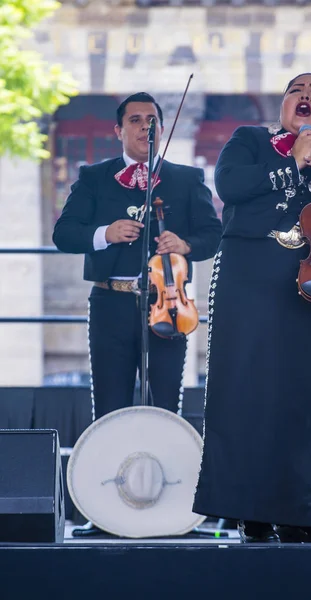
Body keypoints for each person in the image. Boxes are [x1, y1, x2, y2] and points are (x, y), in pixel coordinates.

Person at [192, 73, 311, 543]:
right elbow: (232, 186)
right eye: (295, 90)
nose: (305, 96)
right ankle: (249, 515)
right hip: (248, 283)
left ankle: (298, 515)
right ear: (283, 108)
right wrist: (294, 163)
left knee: (302, 400)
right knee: (243, 396)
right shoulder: (252, 142)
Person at [53, 92, 222, 422]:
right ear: (118, 131)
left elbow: (212, 236)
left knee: (165, 404)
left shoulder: (186, 179)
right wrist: (106, 233)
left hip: (168, 304)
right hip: (109, 301)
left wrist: (184, 245)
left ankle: (166, 473)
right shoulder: (94, 177)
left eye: (152, 121)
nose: (146, 127)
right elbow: (64, 234)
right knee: (108, 404)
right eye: (135, 120)